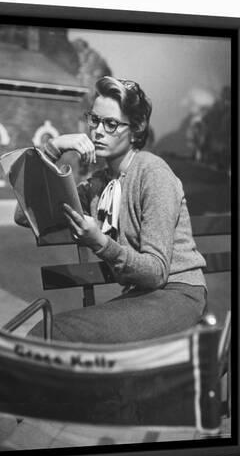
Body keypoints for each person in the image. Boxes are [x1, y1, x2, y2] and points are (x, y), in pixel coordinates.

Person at [15, 76, 207, 344]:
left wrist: (100, 242)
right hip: (141, 297)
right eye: (94, 120)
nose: (98, 131)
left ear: (137, 128)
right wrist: (52, 148)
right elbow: (25, 215)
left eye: (111, 123)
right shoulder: (98, 185)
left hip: (178, 295)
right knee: (49, 332)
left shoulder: (153, 173)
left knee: (51, 333)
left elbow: (156, 272)